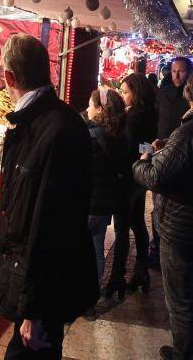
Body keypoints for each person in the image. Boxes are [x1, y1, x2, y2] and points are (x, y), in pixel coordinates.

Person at [0, 34, 98, 358]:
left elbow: (53, 225)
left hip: (44, 292)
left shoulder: (57, 130)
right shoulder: (38, 123)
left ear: (9, 77)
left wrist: (34, 310)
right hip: (35, 285)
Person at [132, 69, 193, 360]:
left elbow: (156, 178)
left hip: (180, 229)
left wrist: (142, 162)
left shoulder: (190, 130)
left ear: (191, 92)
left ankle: (184, 352)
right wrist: (170, 152)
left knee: (180, 299)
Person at [105, 73, 157, 298]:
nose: (123, 96)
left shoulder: (133, 118)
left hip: (126, 178)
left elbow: (128, 148)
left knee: (122, 227)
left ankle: (117, 275)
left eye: (125, 92)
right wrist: (143, 159)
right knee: (137, 223)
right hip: (138, 177)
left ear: (136, 93)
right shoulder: (150, 113)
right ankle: (141, 269)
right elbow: (147, 146)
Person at [152, 57, 192, 270]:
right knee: (157, 203)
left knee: (174, 205)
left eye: (181, 71)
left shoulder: (192, 98)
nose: (177, 75)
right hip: (160, 151)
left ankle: (171, 247)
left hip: (179, 155)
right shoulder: (164, 93)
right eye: (174, 70)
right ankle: (156, 245)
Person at [85, 86, 125, 285]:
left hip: (89, 203)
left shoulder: (90, 134)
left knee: (80, 251)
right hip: (106, 204)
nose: (87, 108)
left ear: (100, 108)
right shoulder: (118, 134)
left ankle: (79, 297)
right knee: (97, 250)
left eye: (91, 105)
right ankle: (91, 301)